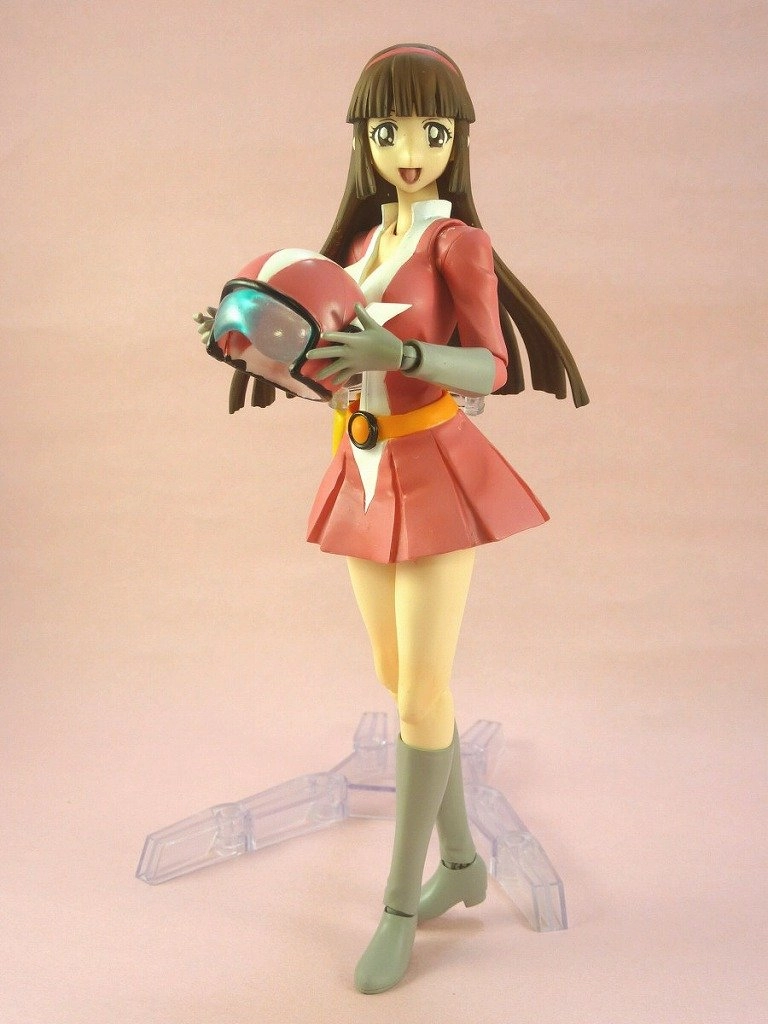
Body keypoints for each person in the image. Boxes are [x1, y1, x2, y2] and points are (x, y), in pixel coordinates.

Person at [214, 43, 588, 994]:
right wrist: (255, 344)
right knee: (400, 681)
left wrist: (406, 356)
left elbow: (492, 366)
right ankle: (461, 862)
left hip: (434, 468)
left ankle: (397, 907)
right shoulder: (350, 252)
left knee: (420, 693)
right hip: (361, 467)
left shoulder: (456, 244)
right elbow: (327, 366)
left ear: (457, 137)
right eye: (388, 132)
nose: (410, 151)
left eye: (430, 130)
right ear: (365, 142)